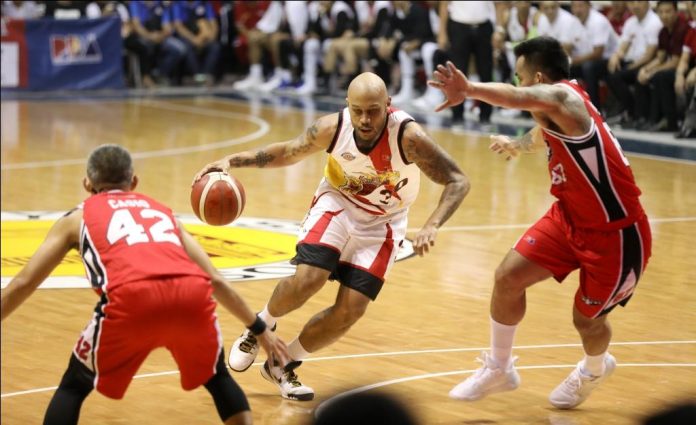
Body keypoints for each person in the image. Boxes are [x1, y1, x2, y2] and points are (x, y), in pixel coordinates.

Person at [194, 71, 470, 401]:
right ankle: (260, 326)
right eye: (357, 111)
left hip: (385, 221)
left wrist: (433, 224)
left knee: (351, 310)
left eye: (373, 110)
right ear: (347, 107)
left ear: (388, 105)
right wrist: (232, 160)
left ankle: (282, 365)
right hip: (337, 202)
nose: (365, 119)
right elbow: (287, 151)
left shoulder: (409, 137)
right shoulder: (333, 128)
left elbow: (458, 180)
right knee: (308, 279)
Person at [430, 36, 651, 409]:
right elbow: (542, 131)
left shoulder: (564, 98)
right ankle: (500, 368)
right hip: (568, 219)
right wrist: (518, 145)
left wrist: (470, 89)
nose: (517, 85)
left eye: (520, 77)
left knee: (587, 321)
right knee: (507, 278)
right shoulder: (560, 111)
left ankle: (594, 368)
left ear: (539, 78)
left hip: (616, 234)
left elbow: (519, 99)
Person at [0, 144, 289, 425]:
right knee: (218, 377)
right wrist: (259, 330)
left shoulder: (77, 218)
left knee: (73, 387)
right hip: (191, 299)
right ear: (134, 181)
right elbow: (214, 278)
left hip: (131, 300)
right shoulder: (163, 212)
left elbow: (25, 282)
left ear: (87, 183)